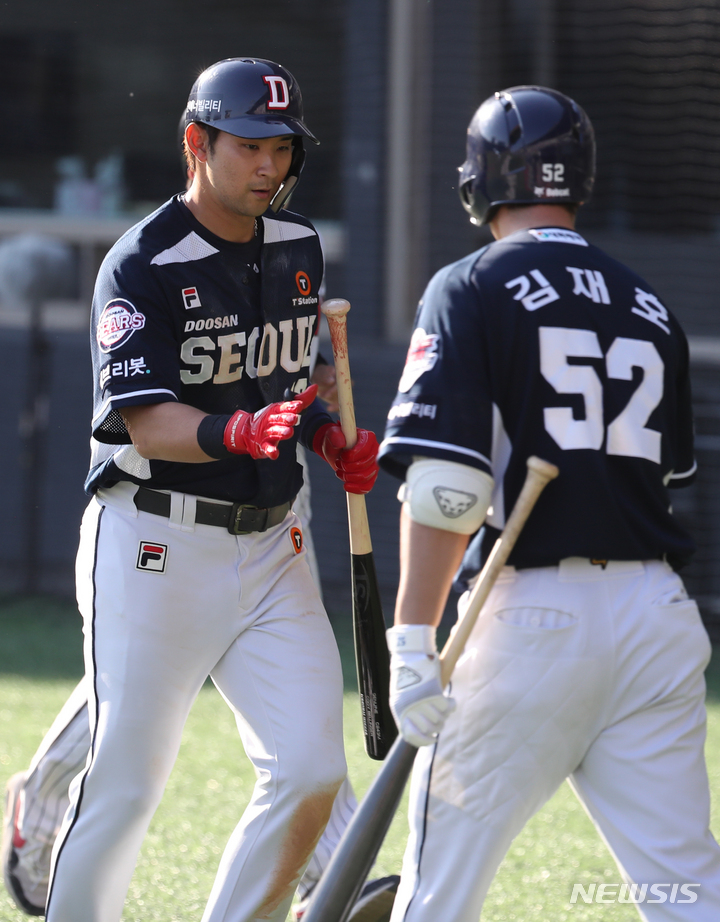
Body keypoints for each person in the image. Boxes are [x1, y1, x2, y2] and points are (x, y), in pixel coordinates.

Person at [19, 56, 382, 922]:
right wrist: (237, 430)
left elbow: (300, 377)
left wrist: (328, 435)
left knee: (312, 772)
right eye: (251, 144)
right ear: (198, 141)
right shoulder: (141, 261)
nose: (271, 166)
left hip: (271, 544)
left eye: (283, 148)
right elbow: (147, 425)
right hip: (153, 543)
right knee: (126, 784)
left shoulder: (298, 244)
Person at [377, 85, 720, 921]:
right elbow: (659, 475)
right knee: (687, 892)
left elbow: (448, 489)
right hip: (657, 618)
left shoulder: (469, 286)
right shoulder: (651, 306)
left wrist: (414, 639)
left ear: (483, 179)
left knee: (438, 893)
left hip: (529, 620)